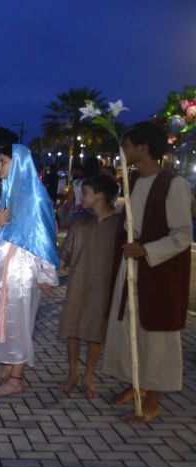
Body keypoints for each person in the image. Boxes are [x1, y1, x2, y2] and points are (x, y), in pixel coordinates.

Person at [102, 121, 192, 423]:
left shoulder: (174, 185)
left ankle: (153, 401)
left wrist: (147, 250)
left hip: (157, 272)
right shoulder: (134, 181)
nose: (123, 151)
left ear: (144, 148)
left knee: (156, 336)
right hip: (130, 268)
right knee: (130, 329)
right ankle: (136, 384)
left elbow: (182, 235)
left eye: (127, 146)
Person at [0, 144, 59, 397]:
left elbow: (46, 237)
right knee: (3, 318)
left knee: (19, 322)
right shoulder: (10, 195)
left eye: (3, 162)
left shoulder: (35, 199)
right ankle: (9, 362)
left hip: (23, 272)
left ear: (18, 165)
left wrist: (46, 274)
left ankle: (17, 379)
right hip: (5, 270)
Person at [58, 174, 120, 398]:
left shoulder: (119, 225)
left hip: (103, 285)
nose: (81, 197)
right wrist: (49, 273)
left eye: (85, 193)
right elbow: (65, 253)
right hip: (78, 282)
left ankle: (89, 377)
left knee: (95, 332)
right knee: (73, 328)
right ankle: (73, 373)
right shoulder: (80, 223)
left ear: (100, 195)